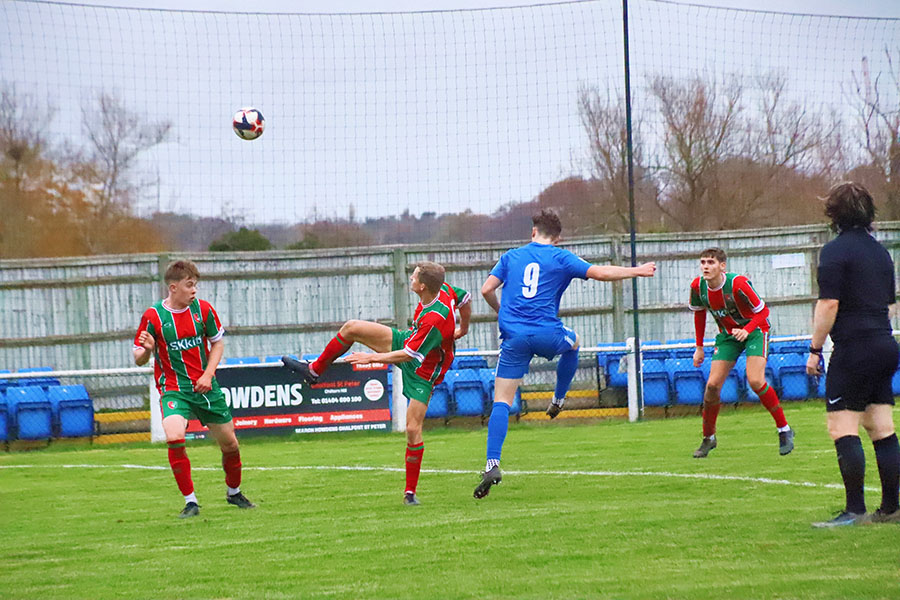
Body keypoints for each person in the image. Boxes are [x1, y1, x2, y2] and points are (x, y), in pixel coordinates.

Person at [473, 209, 656, 499]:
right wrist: (637, 270)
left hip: (514, 337)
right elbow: (600, 273)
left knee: (502, 401)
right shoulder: (561, 257)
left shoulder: (510, 256)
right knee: (575, 342)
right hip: (547, 334)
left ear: (533, 231)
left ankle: (492, 463)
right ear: (558, 238)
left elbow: (486, 289)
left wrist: (503, 312)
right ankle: (558, 399)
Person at [282, 261, 470, 506]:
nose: (410, 279)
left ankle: (410, 493)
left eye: (414, 277)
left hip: (425, 371)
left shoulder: (434, 318)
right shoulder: (442, 288)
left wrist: (370, 358)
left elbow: (408, 356)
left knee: (412, 429)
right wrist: (463, 329)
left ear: (423, 286)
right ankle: (314, 370)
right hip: (409, 342)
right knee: (352, 327)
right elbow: (465, 299)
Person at [807, 182, 900, 527]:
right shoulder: (880, 253)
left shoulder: (834, 252)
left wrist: (815, 349)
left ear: (834, 213)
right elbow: (890, 306)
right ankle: (891, 508)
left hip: (854, 347)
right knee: (881, 426)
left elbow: (829, 304)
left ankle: (854, 510)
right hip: (884, 344)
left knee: (841, 426)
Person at [133, 260, 256, 518]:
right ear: (173, 287)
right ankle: (191, 502)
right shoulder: (153, 317)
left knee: (230, 444)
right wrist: (147, 350)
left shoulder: (204, 310)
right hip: (174, 389)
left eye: (195, 285)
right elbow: (138, 359)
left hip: (205, 387)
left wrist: (208, 375)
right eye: (189, 285)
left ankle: (234, 493)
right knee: (174, 436)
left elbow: (218, 343)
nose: (194, 290)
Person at [689, 248, 794, 458]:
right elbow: (699, 314)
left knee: (755, 380)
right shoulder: (697, 287)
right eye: (703, 262)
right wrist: (699, 347)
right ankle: (709, 437)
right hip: (728, 335)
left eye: (711, 262)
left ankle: (784, 429)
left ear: (722, 266)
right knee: (712, 386)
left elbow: (763, 312)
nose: (706, 266)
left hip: (755, 331)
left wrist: (746, 330)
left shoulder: (738, 284)